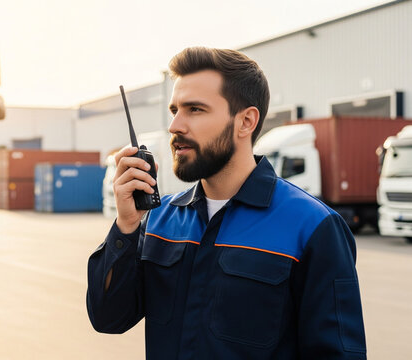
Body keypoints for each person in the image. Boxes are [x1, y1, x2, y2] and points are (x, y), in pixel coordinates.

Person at [86, 47, 366, 359]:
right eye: (174, 110)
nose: (175, 126)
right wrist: (126, 226)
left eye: (195, 109)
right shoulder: (159, 220)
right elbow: (108, 318)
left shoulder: (312, 227)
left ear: (246, 121)